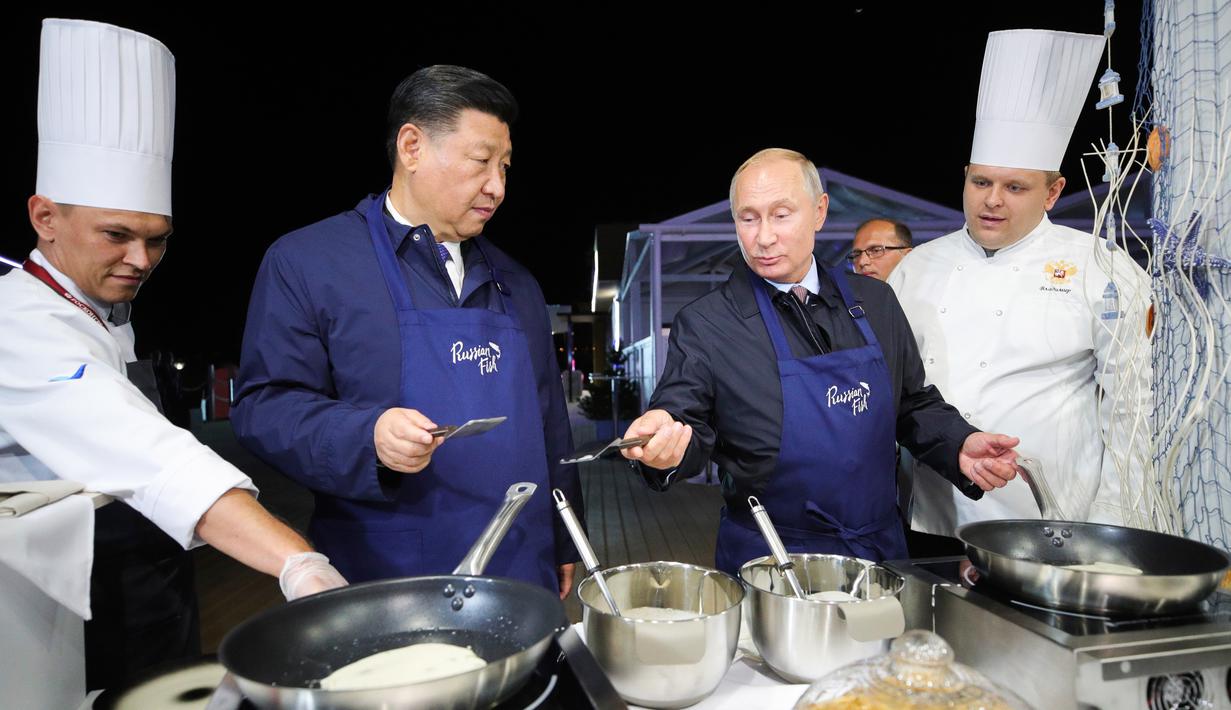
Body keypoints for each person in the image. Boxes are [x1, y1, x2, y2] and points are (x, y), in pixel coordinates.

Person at [0, 19, 345, 690]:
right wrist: (296, 561)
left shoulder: (102, 312)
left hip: (148, 587)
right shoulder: (18, 322)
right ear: (44, 218)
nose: (141, 260)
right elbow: (146, 452)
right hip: (55, 615)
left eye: (157, 239)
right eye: (116, 235)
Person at [233, 65, 581, 596]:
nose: (497, 186)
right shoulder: (308, 262)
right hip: (387, 575)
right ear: (412, 147)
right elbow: (265, 407)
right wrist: (366, 436)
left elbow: (551, 421)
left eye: (505, 167)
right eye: (481, 161)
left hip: (519, 567)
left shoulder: (518, 282)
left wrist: (565, 535)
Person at [620, 148, 1021, 575]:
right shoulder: (707, 323)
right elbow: (685, 420)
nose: (763, 237)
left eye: (781, 215)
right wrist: (665, 445)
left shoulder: (876, 301)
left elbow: (911, 404)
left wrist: (958, 443)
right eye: (748, 218)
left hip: (879, 552)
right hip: (770, 559)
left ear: (819, 211)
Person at [889, 30, 1151, 540]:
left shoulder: (1103, 268)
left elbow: (1131, 411)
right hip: (929, 519)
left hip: (1054, 522)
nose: (993, 200)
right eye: (981, 182)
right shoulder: (916, 268)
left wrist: (1114, 523)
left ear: (1053, 192)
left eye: (1015, 187)